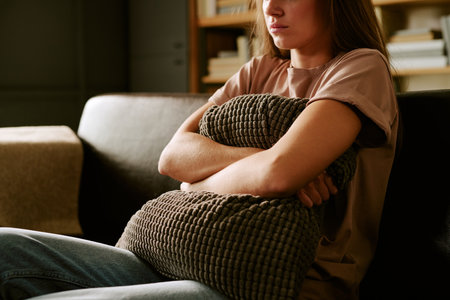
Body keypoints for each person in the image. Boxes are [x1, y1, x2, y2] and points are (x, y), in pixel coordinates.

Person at [0, 0, 398, 299]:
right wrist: (264, 169)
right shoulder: (257, 71)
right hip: (181, 255)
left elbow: (276, 174)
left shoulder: (360, 68)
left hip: (275, 281)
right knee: (5, 248)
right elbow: (173, 159)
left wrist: (206, 180)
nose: (270, 8)